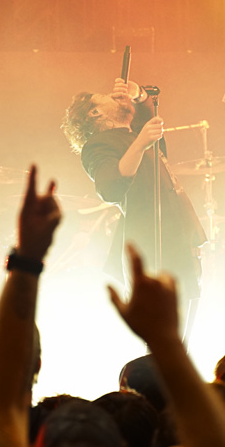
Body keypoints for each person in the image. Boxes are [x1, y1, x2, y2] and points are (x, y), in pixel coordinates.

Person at [61, 78, 206, 333]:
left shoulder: (131, 134)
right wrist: (141, 143)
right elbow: (110, 187)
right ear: (94, 113)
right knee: (161, 331)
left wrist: (136, 93)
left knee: (183, 327)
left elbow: (145, 111)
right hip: (152, 244)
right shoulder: (98, 146)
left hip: (177, 237)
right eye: (105, 96)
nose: (115, 96)